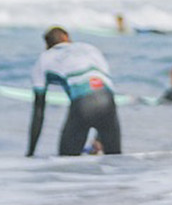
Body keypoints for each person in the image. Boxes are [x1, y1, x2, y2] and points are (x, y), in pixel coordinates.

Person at [27, 27, 121, 157]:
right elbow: (106, 86)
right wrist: (100, 137)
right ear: (66, 37)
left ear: (47, 45)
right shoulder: (90, 48)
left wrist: (30, 153)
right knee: (116, 162)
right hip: (108, 102)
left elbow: (38, 111)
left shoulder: (44, 58)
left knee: (67, 164)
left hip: (82, 105)